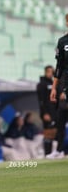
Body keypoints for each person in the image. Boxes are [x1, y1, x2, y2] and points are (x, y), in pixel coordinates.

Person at [48, 17, 68, 158]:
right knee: (62, 115)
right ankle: (59, 149)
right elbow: (59, 67)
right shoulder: (62, 42)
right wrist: (54, 88)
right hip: (66, 82)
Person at [37, 65, 58, 155]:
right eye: (50, 71)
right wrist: (44, 113)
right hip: (47, 113)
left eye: (52, 72)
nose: (51, 73)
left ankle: (54, 152)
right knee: (48, 134)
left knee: (54, 133)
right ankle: (47, 153)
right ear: (45, 72)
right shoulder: (41, 84)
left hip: (54, 112)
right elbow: (41, 100)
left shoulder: (53, 83)